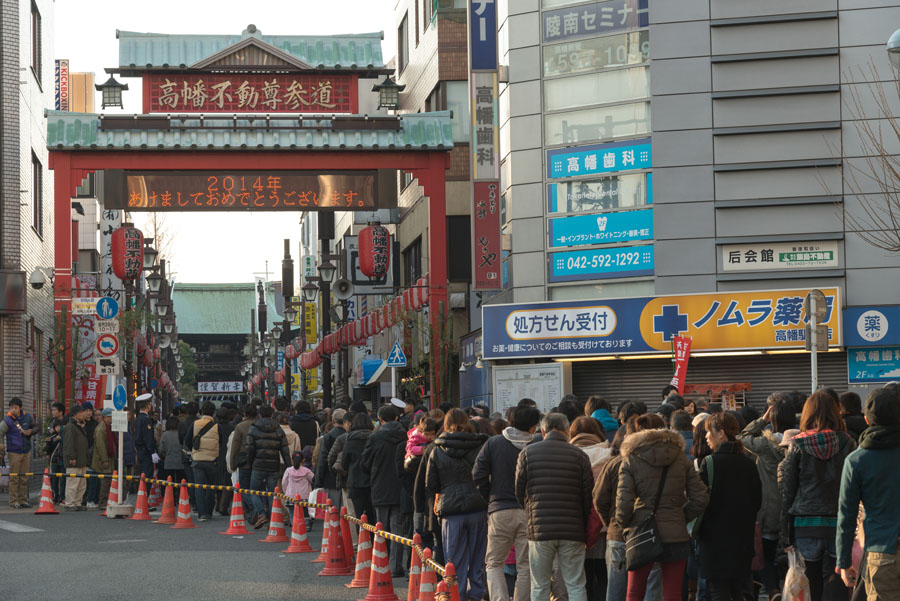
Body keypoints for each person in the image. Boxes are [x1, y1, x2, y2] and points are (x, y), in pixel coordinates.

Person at [616, 414, 709, 601]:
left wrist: (627, 523)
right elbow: (700, 497)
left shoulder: (631, 459)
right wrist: (680, 516)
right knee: (673, 593)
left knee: (634, 592)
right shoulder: (680, 458)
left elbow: (623, 502)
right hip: (676, 533)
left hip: (642, 531)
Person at [779, 390, 856, 601]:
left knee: (810, 581)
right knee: (838, 578)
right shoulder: (847, 442)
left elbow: (788, 491)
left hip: (805, 524)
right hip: (838, 523)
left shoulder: (796, 444)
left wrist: (785, 534)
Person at [516, 412, 593, 601]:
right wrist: (581, 522)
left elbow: (519, 490)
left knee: (540, 584)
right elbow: (588, 495)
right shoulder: (580, 455)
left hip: (540, 529)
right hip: (572, 530)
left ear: (543, 431)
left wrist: (532, 511)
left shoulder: (527, 453)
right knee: (575, 583)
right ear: (566, 431)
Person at [837, 386, 900, 598]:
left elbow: (846, 516)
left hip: (882, 555)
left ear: (866, 419)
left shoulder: (857, 460)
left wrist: (844, 562)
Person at [473, 404, 540, 601]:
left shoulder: (494, 443)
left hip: (499, 509)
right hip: (528, 511)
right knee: (525, 565)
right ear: (532, 427)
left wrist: (490, 497)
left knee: (494, 563)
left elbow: (478, 474)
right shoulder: (536, 446)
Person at [426, 408, 490, 601]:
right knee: (478, 556)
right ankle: (476, 593)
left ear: (445, 425)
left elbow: (431, 484)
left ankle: (457, 594)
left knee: (454, 560)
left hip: (451, 510)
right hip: (478, 506)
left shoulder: (437, 449)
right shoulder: (481, 445)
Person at [697, 412, 762, 601]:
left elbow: (698, 502)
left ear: (721, 434)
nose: (706, 436)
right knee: (738, 591)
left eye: (709, 431)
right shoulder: (749, 464)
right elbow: (757, 501)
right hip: (742, 540)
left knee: (718, 591)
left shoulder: (709, 464)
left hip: (713, 542)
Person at [739, 398, 795, 600]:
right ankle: (788, 589)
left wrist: (761, 420)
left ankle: (773, 590)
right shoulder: (799, 442)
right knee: (790, 556)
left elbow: (742, 436)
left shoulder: (763, 444)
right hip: (793, 508)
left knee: (764, 556)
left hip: (767, 509)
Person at [360, 405, 408, 577]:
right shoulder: (406, 435)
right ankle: (396, 566)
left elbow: (364, 463)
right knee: (398, 529)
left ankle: (381, 563)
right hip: (400, 486)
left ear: (380, 419)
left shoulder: (375, 437)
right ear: (397, 418)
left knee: (381, 527)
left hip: (380, 485)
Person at [568, 416, 611, 601]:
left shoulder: (568, 455)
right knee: (604, 575)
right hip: (605, 524)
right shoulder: (611, 454)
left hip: (576, 525)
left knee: (580, 577)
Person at [593, 423, 634, 601]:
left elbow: (599, 498)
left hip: (616, 533)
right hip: (645, 534)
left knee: (616, 590)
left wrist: (609, 521)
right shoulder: (652, 463)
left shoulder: (612, 464)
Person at [247, 405, 291, 528]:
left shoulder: (254, 428)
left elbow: (249, 448)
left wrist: (250, 463)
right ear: (272, 415)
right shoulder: (278, 429)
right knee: (273, 493)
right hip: (274, 465)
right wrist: (289, 466)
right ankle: (273, 519)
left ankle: (261, 514)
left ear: (259, 415)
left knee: (254, 491)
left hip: (258, 465)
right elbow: (285, 450)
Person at [186, 401, 222, 522]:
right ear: (213, 412)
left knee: (199, 486)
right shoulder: (217, 426)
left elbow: (187, 441)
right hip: (212, 460)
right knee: (211, 487)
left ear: (201, 412)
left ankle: (201, 514)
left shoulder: (194, 424)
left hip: (197, 460)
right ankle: (209, 512)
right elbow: (221, 442)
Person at [0, 398, 36, 508]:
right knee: (14, 477)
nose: (13, 410)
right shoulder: (7, 420)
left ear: (20, 408)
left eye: (15, 408)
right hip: (13, 451)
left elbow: (37, 427)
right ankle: (13, 501)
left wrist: (31, 431)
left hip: (26, 450)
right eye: (11, 408)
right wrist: (1, 447)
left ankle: (22, 500)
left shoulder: (27, 417)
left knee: (24, 477)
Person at [341, 412, 376, 525]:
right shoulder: (375, 437)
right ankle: (374, 540)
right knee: (373, 516)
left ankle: (363, 541)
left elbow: (344, 462)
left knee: (359, 516)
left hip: (355, 480)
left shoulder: (350, 440)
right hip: (373, 480)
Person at [227, 404, 256, 521]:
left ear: (244, 414)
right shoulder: (261, 424)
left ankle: (255, 509)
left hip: (245, 462)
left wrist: (232, 463)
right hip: (260, 461)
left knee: (243, 489)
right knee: (258, 490)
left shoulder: (240, 426)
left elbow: (235, 447)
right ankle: (260, 510)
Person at [314, 408, 347, 509]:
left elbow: (323, 459)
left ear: (333, 421)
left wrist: (318, 482)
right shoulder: (349, 436)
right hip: (346, 477)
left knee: (332, 511)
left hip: (330, 478)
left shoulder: (328, 437)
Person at [62, 403, 92, 511]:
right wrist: (72, 457)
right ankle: (70, 503)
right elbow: (69, 444)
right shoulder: (70, 426)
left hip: (81, 459)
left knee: (81, 484)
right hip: (74, 460)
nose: (84, 414)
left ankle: (78, 502)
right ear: (75, 414)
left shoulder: (79, 425)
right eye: (81, 412)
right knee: (73, 483)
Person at [90, 408, 115, 509]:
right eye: (110, 416)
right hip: (104, 459)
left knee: (108, 480)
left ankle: (105, 501)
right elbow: (100, 446)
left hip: (108, 458)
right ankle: (103, 502)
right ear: (106, 417)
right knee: (106, 481)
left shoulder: (108, 427)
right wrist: (104, 459)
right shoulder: (101, 429)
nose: (112, 418)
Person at [282, 450, 314, 524]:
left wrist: (286, 492)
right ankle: (306, 525)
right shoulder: (307, 471)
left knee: (292, 514)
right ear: (303, 460)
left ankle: (295, 528)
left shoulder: (288, 470)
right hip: (304, 496)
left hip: (290, 497)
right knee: (305, 513)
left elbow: (284, 483)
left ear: (292, 459)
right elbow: (313, 480)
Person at [134, 396, 159, 483]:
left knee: (142, 473)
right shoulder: (146, 419)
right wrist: (152, 451)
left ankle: (142, 494)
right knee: (147, 475)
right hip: (146, 451)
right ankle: (145, 494)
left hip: (140, 450)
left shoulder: (138, 418)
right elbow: (148, 437)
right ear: (148, 405)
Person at [46, 402, 66, 503]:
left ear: (61, 412)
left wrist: (61, 437)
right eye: (52, 410)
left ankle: (62, 497)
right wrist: (47, 453)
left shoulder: (67, 422)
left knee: (63, 477)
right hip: (54, 453)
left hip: (63, 454)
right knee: (54, 477)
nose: (52, 412)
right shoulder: (51, 422)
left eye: (54, 410)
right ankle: (55, 496)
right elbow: (47, 437)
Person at [158, 416, 185, 485]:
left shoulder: (165, 434)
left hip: (168, 462)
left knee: (169, 483)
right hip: (180, 462)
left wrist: (164, 456)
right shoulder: (181, 434)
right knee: (181, 483)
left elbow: (161, 450)